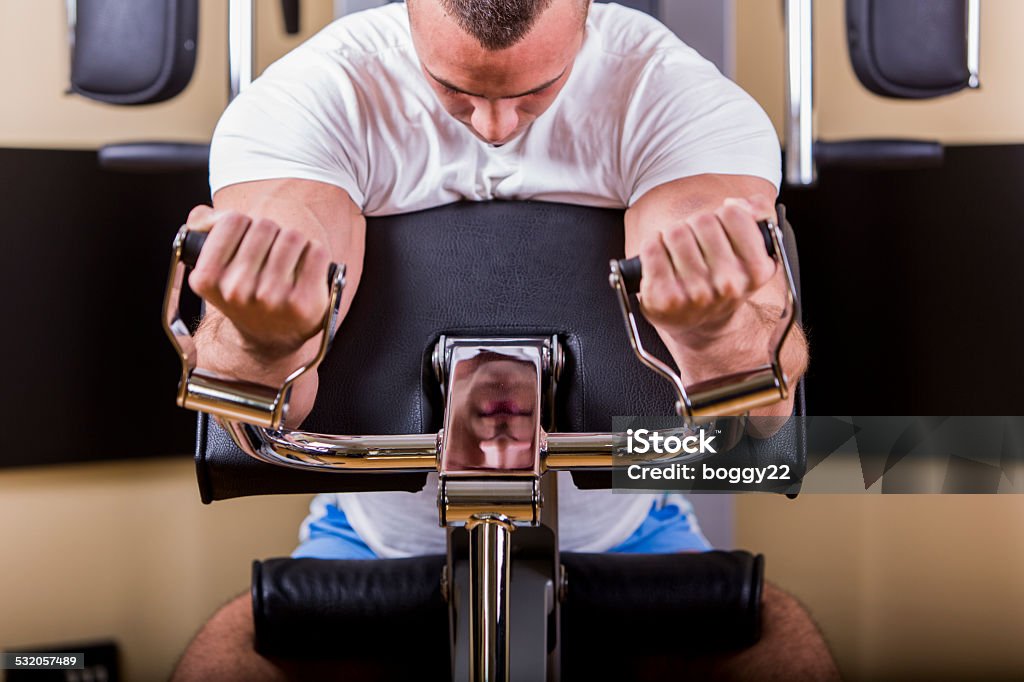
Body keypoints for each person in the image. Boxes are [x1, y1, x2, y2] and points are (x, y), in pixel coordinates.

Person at [171, 0, 838, 679]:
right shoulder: (312, 101)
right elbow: (248, 418)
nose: (494, 126)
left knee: (782, 647)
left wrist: (715, 336)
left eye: (534, 91)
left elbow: (760, 425)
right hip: (369, 541)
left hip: (633, 536)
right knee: (225, 659)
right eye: (455, 89)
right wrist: (263, 342)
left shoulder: (673, 100)